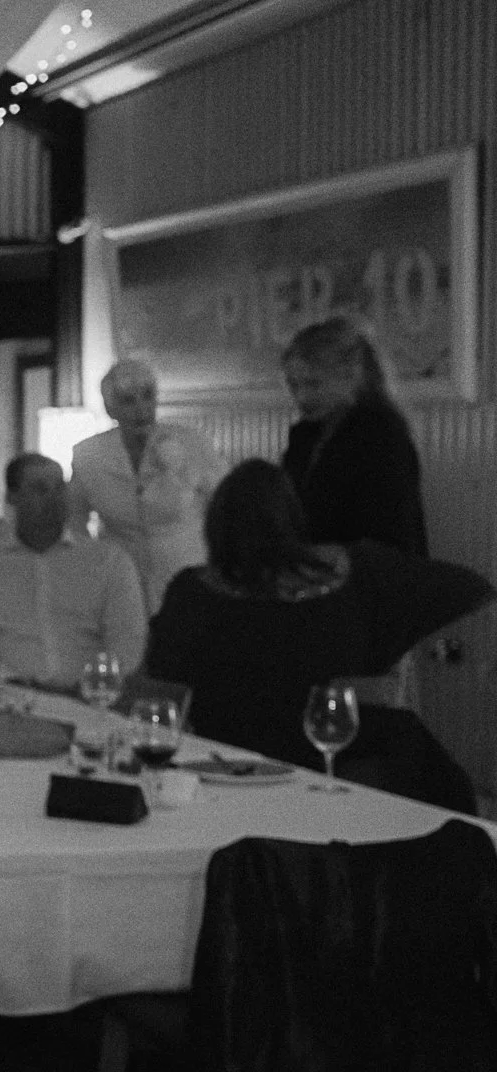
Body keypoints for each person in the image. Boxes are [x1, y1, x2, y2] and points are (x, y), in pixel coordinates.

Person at [142, 459, 488, 811]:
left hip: (228, 765)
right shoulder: (358, 574)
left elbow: (161, 684)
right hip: (336, 760)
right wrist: (404, 659)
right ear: (291, 519)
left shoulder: (190, 594)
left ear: (216, 526)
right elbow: (470, 590)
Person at [0, 451, 147, 688]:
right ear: (12, 497)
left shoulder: (108, 561)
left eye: (60, 488)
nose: (54, 499)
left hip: (88, 697)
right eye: (40, 489)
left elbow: (127, 641)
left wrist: (99, 684)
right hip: (8, 695)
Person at [66, 359, 223, 614]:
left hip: (188, 574)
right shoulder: (90, 456)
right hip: (121, 578)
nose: (142, 409)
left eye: (148, 397)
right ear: (110, 408)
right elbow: (74, 519)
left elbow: (225, 507)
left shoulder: (191, 443)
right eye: (129, 401)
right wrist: (92, 565)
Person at [281, 316, 427, 555]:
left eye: (313, 384)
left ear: (351, 376)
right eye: (293, 385)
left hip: (371, 578)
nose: (301, 397)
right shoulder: (306, 434)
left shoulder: (381, 435)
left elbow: (387, 537)